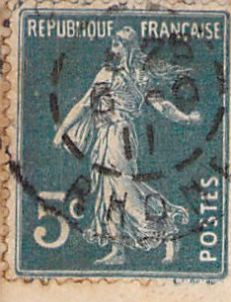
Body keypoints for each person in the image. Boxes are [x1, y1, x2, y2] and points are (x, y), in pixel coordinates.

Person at [53, 26, 202, 265]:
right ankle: (118, 251)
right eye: (113, 43)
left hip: (121, 138)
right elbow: (83, 104)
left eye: (119, 43)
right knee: (107, 191)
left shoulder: (140, 77)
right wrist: (62, 131)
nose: (114, 48)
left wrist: (186, 118)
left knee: (124, 189)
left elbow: (162, 106)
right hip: (102, 138)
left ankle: (169, 231)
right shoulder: (105, 73)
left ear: (129, 48)